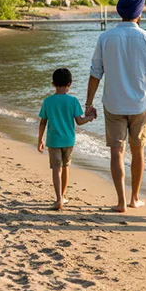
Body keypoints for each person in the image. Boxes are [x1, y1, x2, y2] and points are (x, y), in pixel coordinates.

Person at [86, 0, 146, 213]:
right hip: (139, 105)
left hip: (113, 103)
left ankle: (121, 201)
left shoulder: (105, 38)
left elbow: (96, 73)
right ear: (139, 13)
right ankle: (135, 198)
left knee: (116, 151)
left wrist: (88, 103)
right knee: (138, 151)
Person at [38, 68, 96, 210]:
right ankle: (63, 196)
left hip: (53, 141)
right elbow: (79, 121)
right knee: (65, 168)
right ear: (69, 84)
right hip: (69, 141)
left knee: (56, 169)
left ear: (53, 84)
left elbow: (43, 122)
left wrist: (40, 139)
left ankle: (58, 199)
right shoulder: (73, 101)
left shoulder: (48, 101)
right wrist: (90, 117)